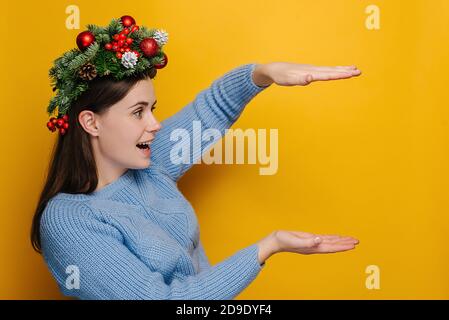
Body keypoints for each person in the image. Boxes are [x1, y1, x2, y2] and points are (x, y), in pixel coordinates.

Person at [31, 15, 361, 300]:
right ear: (91, 122)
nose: (155, 124)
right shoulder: (69, 220)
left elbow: (212, 109)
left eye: (153, 109)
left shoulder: (149, 165)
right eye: (138, 112)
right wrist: (267, 246)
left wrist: (264, 73)